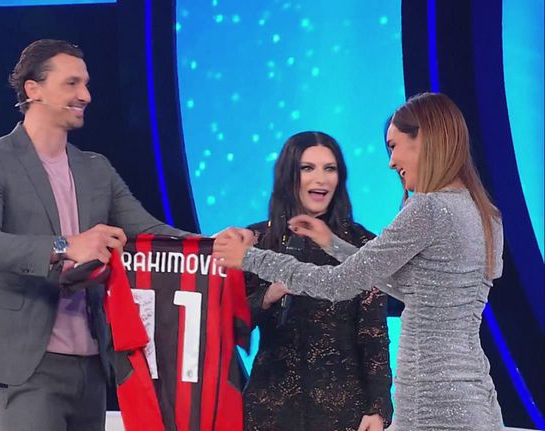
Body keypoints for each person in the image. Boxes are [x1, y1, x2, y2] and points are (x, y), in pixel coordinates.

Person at [214, 92, 504, 430]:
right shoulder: (486, 215)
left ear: (423, 140)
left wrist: (249, 257)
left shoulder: (427, 209)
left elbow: (337, 284)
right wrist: (334, 245)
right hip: (474, 394)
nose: (391, 162)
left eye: (394, 146)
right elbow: (417, 290)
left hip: (430, 398)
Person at [0, 39, 188, 431]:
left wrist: (217, 245)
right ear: (33, 89)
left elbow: (151, 232)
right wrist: (66, 246)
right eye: (72, 83)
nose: (86, 95)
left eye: (86, 84)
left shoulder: (96, 168)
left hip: (91, 362)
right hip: (24, 360)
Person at [243, 131, 392, 431]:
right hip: (270, 409)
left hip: (343, 412)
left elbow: (373, 334)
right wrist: (268, 296)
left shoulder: (360, 244)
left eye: (330, 168)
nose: (320, 179)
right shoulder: (258, 241)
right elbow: (231, 325)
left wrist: (378, 407)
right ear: (289, 175)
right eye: (308, 168)